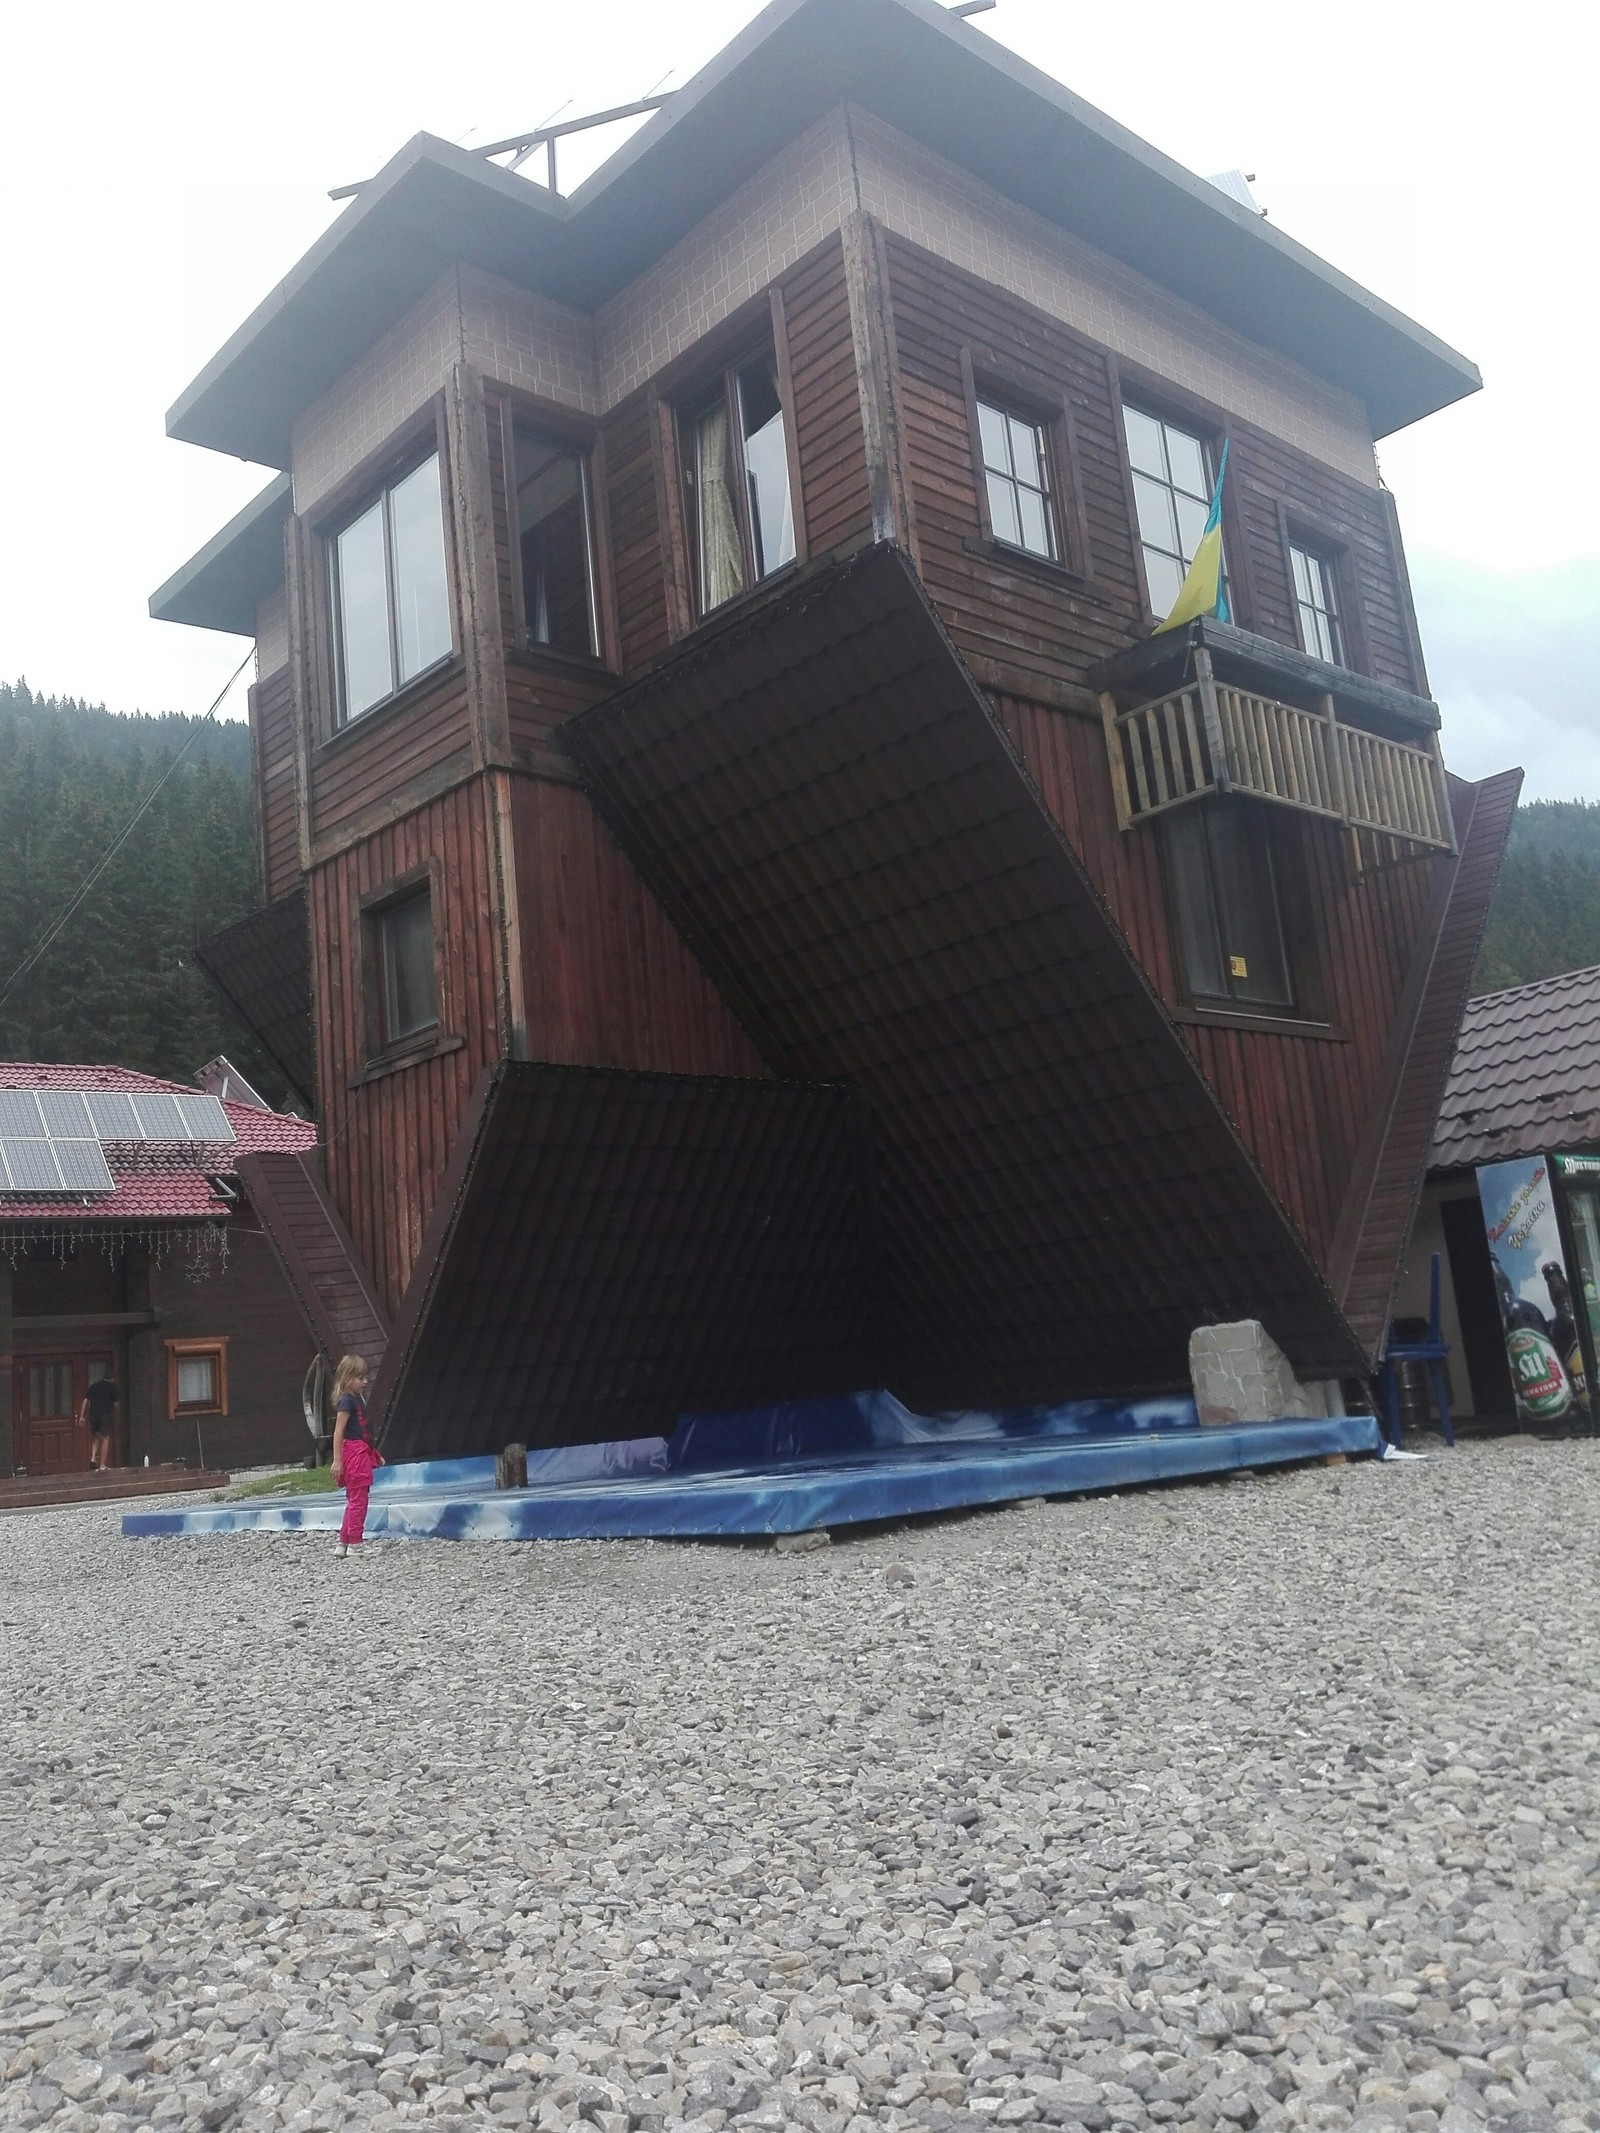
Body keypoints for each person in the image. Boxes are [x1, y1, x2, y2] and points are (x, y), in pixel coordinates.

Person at [330, 1355, 382, 1558]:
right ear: (348, 1378)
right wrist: (337, 1459)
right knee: (359, 1500)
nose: (365, 1382)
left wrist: (374, 1453)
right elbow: (339, 1431)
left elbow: (361, 1431)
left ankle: (343, 1542)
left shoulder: (355, 1400)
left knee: (353, 1499)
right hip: (354, 1454)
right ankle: (356, 1544)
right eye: (360, 1378)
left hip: (359, 1451)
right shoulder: (346, 1402)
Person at [81, 1374, 119, 1473]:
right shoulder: (111, 1387)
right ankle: (102, 1465)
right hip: (104, 1415)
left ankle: (93, 1458)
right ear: (111, 1379)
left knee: (96, 1437)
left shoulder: (93, 1386)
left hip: (93, 1415)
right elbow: (116, 1403)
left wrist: (82, 1416)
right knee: (105, 1438)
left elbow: (85, 1401)